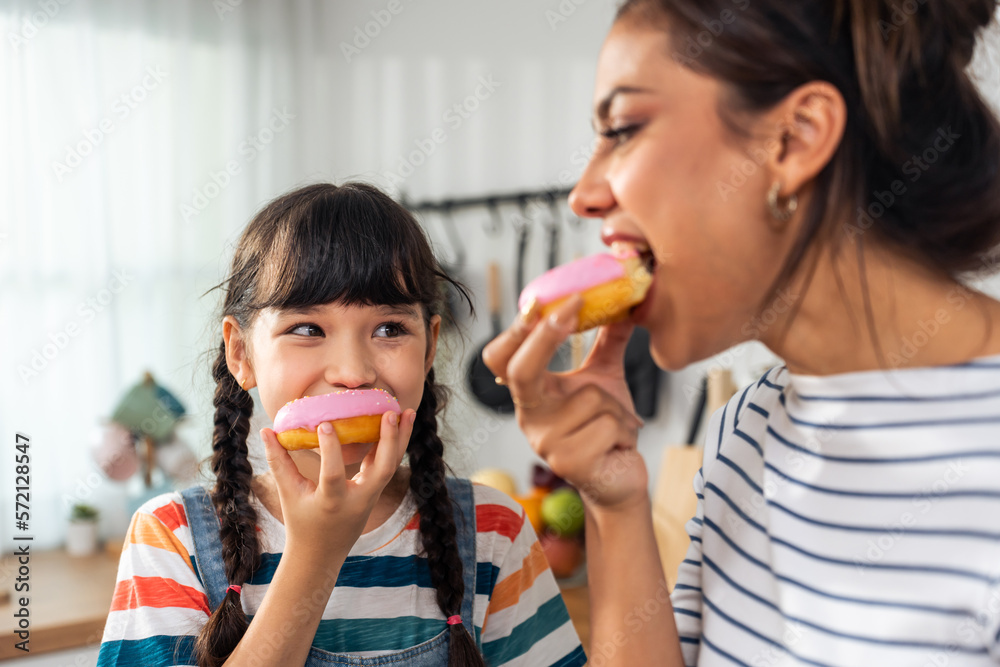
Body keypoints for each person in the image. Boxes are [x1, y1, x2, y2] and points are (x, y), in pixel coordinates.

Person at [484, 0, 1000, 664]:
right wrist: (612, 501)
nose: (582, 194)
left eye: (622, 128)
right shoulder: (746, 427)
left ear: (795, 138)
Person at [96, 182, 587, 667]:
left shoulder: (493, 533)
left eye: (389, 329)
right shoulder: (171, 537)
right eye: (306, 330)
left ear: (429, 347)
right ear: (240, 353)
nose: (353, 372)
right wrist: (315, 556)